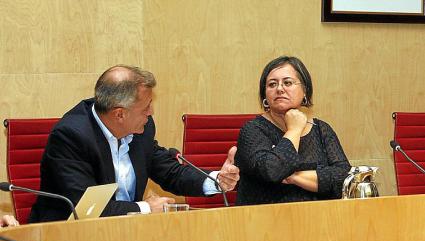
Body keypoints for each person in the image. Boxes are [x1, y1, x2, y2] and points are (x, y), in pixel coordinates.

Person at [29, 65, 239, 222]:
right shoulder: (71, 136)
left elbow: (168, 171)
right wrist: (145, 209)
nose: (151, 112)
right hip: (63, 239)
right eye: (146, 107)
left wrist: (216, 180)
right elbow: (86, 209)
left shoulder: (141, 127)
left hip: (125, 234)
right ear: (119, 114)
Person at [235, 56, 350, 205]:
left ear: (305, 91)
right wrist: (294, 129)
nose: (279, 89)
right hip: (265, 221)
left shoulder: (322, 130)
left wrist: (293, 176)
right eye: (272, 84)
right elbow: (273, 171)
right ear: (265, 95)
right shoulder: (252, 130)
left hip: (320, 220)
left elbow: (344, 179)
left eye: (287, 83)